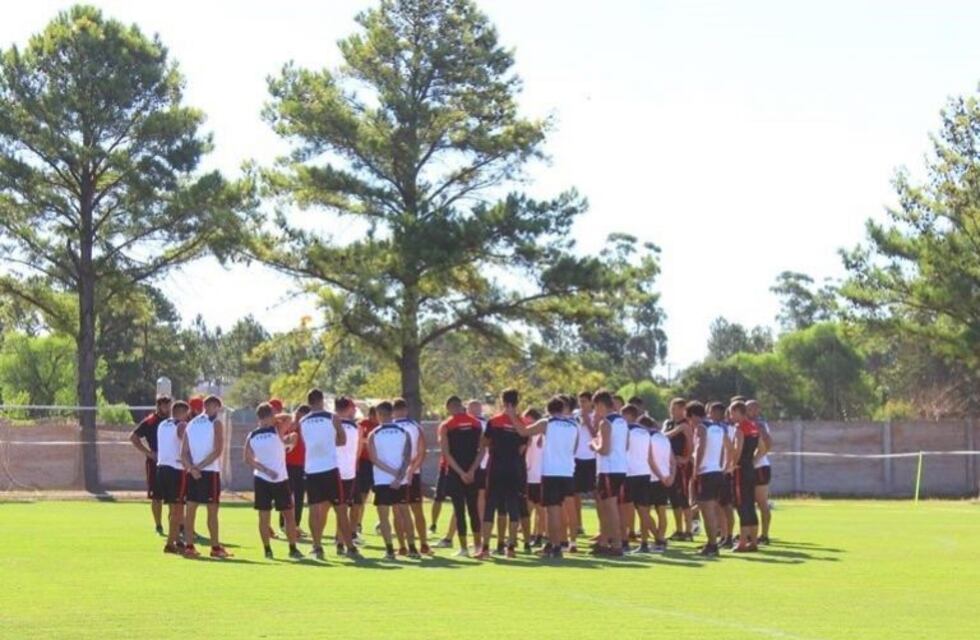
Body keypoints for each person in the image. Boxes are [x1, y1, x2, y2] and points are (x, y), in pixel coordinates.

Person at [515, 396, 578, 559]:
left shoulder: (547, 422)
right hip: (568, 471)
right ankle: (564, 542)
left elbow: (523, 431)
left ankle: (555, 546)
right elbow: (575, 447)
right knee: (566, 509)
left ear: (548, 410)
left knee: (552, 511)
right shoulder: (574, 424)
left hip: (551, 472)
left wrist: (511, 415)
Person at [299, 388, 355, 561]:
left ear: (309, 402)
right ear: (322, 400)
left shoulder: (302, 421)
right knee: (341, 509)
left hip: (311, 470)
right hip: (330, 468)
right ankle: (350, 547)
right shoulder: (333, 417)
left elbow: (306, 442)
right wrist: (330, 443)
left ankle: (317, 547)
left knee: (314, 509)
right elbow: (342, 440)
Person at [245, 402, 303, 560]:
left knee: (264, 517)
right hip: (279, 479)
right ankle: (292, 549)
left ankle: (267, 550)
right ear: (270, 415)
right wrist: (273, 418)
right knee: (289, 516)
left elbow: (248, 459)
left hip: (262, 478)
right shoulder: (276, 429)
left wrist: (264, 470)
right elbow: (289, 417)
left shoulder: (252, 435)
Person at [477, 389, 526, 559]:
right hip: (514, 468)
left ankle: (485, 548)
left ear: (503, 402)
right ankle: (510, 547)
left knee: (490, 506)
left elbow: (484, 442)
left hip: (496, 467)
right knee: (513, 507)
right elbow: (522, 447)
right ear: (517, 402)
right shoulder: (521, 423)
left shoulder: (494, 421)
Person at [180, 395, 230, 558]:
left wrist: (192, 468)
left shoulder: (191, 424)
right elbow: (218, 450)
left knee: (191, 510)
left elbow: (183, 453)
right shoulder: (216, 423)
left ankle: (189, 546)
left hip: (193, 473)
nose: (217, 410)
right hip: (209, 472)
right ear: (212, 406)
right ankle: (215, 548)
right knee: (212, 511)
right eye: (216, 407)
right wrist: (199, 467)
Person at [367, 401, 415, 560]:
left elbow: (374, 459)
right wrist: (399, 476)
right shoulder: (404, 432)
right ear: (392, 413)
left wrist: (392, 473)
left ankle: (389, 550)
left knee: (384, 517)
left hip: (382, 480)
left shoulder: (374, 434)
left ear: (379, 414)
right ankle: (412, 548)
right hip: (400, 481)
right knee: (405, 513)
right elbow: (407, 458)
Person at [439, 396, 485, 556]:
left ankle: (464, 548)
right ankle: (478, 546)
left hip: (455, 473)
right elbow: (482, 450)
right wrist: (472, 470)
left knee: (459, 510)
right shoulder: (476, 423)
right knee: (473, 510)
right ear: (461, 406)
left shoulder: (446, 425)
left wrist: (461, 473)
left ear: (449, 408)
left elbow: (446, 453)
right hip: (473, 473)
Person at [690, 401, 733, 557]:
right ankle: (712, 542)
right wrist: (724, 466)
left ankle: (712, 545)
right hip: (717, 472)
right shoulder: (719, 428)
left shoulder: (702, 427)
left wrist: (695, 470)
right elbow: (728, 448)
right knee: (713, 510)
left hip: (705, 473)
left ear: (693, 416)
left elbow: (700, 447)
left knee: (707, 512)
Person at [591, 390, 628, 556]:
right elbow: (626, 445)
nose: (595, 410)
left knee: (610, 507)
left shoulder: (606, 423)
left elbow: (604, 450)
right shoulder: (622, 421)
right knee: (609, 507)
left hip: (608, 469)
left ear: (601, 405)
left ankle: (617, 544)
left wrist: (594, 444)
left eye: (595, 406)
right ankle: (604, 541)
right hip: (620, 467)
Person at [393, 398, 430, 554]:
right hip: (412, 473)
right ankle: (424, 544)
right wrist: (411, 469)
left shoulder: (390, 427)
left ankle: (402, 547)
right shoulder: (415, 426)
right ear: (406, 410)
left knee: (397, 511)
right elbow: (422, 452)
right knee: (417, 510)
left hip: (395, 474)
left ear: (393, 411)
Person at [130, 395, 170, 535]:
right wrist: (148, 453)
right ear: (158, 406)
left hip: (172, 463)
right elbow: (133, 437)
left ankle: (179, 526)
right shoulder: (150, 421)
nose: (167, 408)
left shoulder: (173, 421)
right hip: (155, 463)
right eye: (164, 405)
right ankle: (158, 525)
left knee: (174, 497)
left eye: (168, 405)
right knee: (156, 496)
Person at [731, 401, 766, 552]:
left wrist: (732, 465)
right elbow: (762, 449)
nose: (731, 416)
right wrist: (752, 461)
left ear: (738, 411)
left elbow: (737, 449)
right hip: (750, 470)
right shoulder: (754, 427)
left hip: (740, 470)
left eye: (732, 413)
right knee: (750, 504)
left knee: (741, 505)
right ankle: (754, 542)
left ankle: (742, 543)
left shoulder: (740, 428)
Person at [623, 404, 656, 553]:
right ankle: (644, 543)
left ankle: (624, 540)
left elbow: (623, 448)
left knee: (625, 508)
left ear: (628, 415)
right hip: (644, 472)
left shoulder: (627, 430)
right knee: (644, 510)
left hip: (630, 473)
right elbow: (649, 455)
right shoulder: (645, 432)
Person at [157, 400, 188, 554]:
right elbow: (186, 443)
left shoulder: (162, 424)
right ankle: (170, 544)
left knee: (173, 507)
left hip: (162, 468)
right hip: (176, 469)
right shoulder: (181, 425)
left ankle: (177, 540)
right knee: (178, 509)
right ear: (182, 413)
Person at [663, 397, 694, 541]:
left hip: (681, 466)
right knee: (674, 498)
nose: (672, 411)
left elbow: (691, 444)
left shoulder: (685, 425)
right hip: (670, 464)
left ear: (682, 409)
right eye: (671, 407)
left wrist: (686, 458)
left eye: (675, 408)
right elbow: (662, 436)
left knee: (683, 497)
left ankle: (689, 531)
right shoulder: (669, 423)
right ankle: (679, 529)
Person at [335, 397, 362, 557]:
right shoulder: (357, 428)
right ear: (349, 408)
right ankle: (341, 542)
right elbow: (358, 452)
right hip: (347, 472)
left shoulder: (330, 424)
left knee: (323, 509)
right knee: (343, 509)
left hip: (332, 469)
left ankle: (321, 545)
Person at [644, 415, 674, 552]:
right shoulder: (664, 438)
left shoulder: (647, 438)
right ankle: (660, 538)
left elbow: (649, 460)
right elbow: (672, 460)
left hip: (651, 478)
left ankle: (658, 538)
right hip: (665, 478)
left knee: (643, 510)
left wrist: (660, 476)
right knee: (661, 511)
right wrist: (671, 476)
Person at [278, 404, 309, 537]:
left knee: (299, 497)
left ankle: (295, 525)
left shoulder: (307, 428)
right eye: (298, 415)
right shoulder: (289, 426)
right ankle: (284, 524)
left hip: (302, 466)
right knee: (287, 496)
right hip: (288, 465)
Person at [747, 400, 774, 544]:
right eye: (747, 409)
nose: (750, 411)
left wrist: (755, 460)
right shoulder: (744, 424)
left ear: (758, 410)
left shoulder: (760, 424)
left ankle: (764, 535)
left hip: (760, 468)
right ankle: (749, 533)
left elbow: (768, 444)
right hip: (749, 468)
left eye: (752, 409)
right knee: (747, 502)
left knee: (762, 502)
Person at [572, 390, 597, 538]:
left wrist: (587, 422)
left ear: (591, 402)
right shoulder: (574, 415)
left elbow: (597, 436)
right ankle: (578, 525)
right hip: (576, 458)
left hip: (592, 458)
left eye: (584, 401)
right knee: (575, 493)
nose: (581, 404)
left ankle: (603, 528)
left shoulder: (597, 416)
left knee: (597, 493)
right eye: (580, 401)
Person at [354, 405, 379, 537]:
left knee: (382, 495)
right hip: (364, 463)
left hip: (378, 464)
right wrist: (367, 441)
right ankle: (358, 523)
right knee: (362, 495)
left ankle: (382, 522)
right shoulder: (362, 424)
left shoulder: (382, 426)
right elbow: (358, 440)